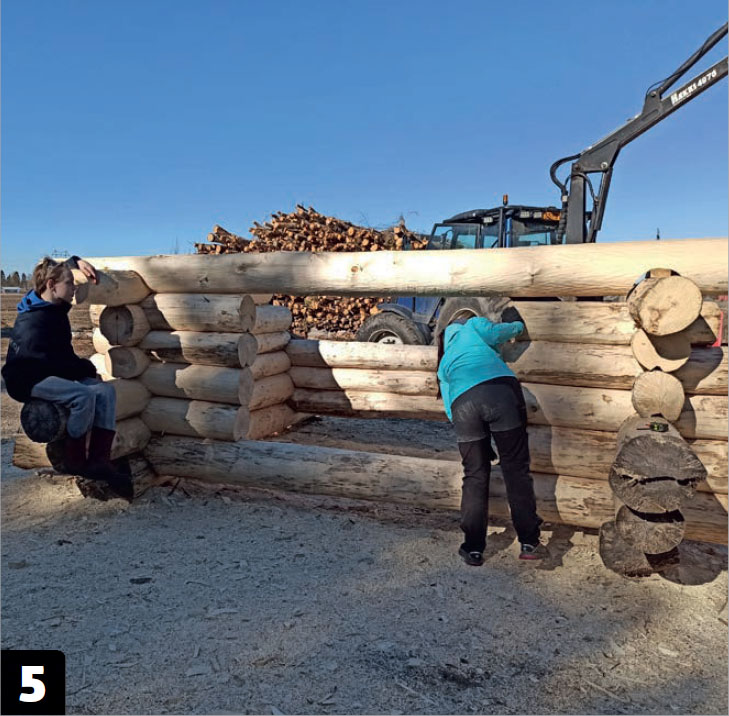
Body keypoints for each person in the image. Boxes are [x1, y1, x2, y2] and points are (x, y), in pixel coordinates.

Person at [2, 256, 133, 501]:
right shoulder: (34, 320)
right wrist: (86, 370)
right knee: (83, 396)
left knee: (106, 391)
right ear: (52, 285)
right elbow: (53, 364)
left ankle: (99, 459)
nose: (74, 287)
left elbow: (62, 358)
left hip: (47, 371)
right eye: (70, 283)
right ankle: (74, 458)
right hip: (27, 379)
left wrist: (74, 262)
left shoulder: (54, 309)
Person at [436, 315, 546, 565]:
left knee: (474, 474)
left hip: (464, 405)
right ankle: (529, 542)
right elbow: (497, 333)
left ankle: (473, 548)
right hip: (500, 392)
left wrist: (479, 442)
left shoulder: (444, 361)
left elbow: (450, 409)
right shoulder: (473, 326)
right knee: (515, 469)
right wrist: (518, 324)